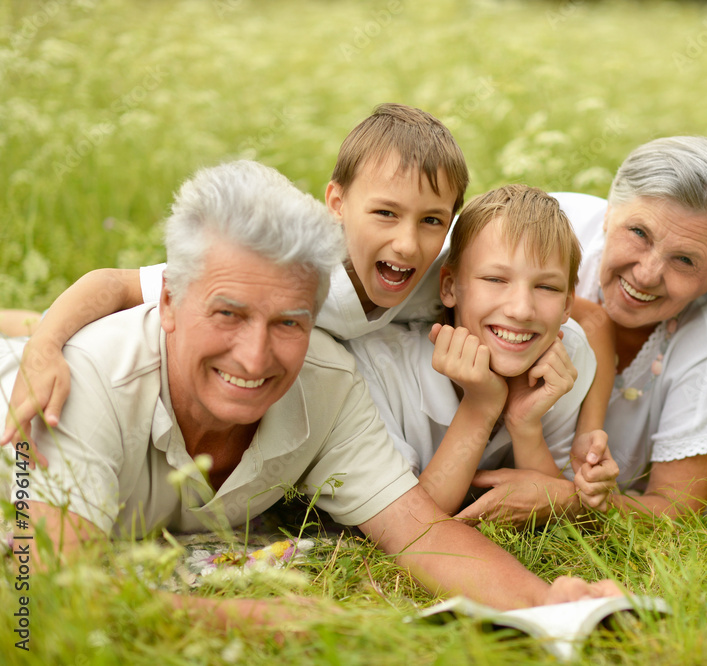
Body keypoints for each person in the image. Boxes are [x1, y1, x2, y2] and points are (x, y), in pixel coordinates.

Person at [0, 161, 620, 629]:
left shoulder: (328, 382)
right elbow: (49, 594)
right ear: (168, 302)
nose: (255, 357)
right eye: (228, 314)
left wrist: (548, 603)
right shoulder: (83, 383)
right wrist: (251, 619)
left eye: (289, 323)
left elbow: (420, 530)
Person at [1, 104, 613, 475]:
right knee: (54, 339)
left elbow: (584, 318)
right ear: (336, 204)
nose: (407, 243)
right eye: (384, 214)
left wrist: (588, 431)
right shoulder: (298, 267)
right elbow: (113, 285)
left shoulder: (446, 269)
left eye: (432, 220)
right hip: (158, 353)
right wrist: (45, 348)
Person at [456, 136, 707, 525]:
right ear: (609, 212)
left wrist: (565, 501)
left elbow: (677, 509)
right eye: (639, 233)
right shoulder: (540, 234)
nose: (647, 274)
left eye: (685, 259)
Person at [347, 185, 619, 517]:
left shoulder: (566, 357)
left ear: (566, 305)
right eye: (495, 279)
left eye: (546, 287)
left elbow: (555, 500)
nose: (521, 310)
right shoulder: (378, 364)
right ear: (449, 287)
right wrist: (480, 405)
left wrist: (525, 425)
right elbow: (407, 523)